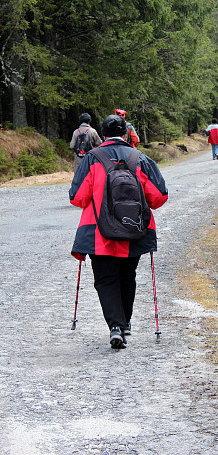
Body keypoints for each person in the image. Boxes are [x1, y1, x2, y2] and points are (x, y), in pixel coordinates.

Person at [69, 114, 168, 349]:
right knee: (127, 275)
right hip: (134, 231)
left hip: (98, 233)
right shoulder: (140, 158)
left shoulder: (92, 159)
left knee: (106, 279)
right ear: (125, 134)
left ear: (102, 135)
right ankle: (125, 324)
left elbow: (77, 197)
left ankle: (115, 325)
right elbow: (159, 196)